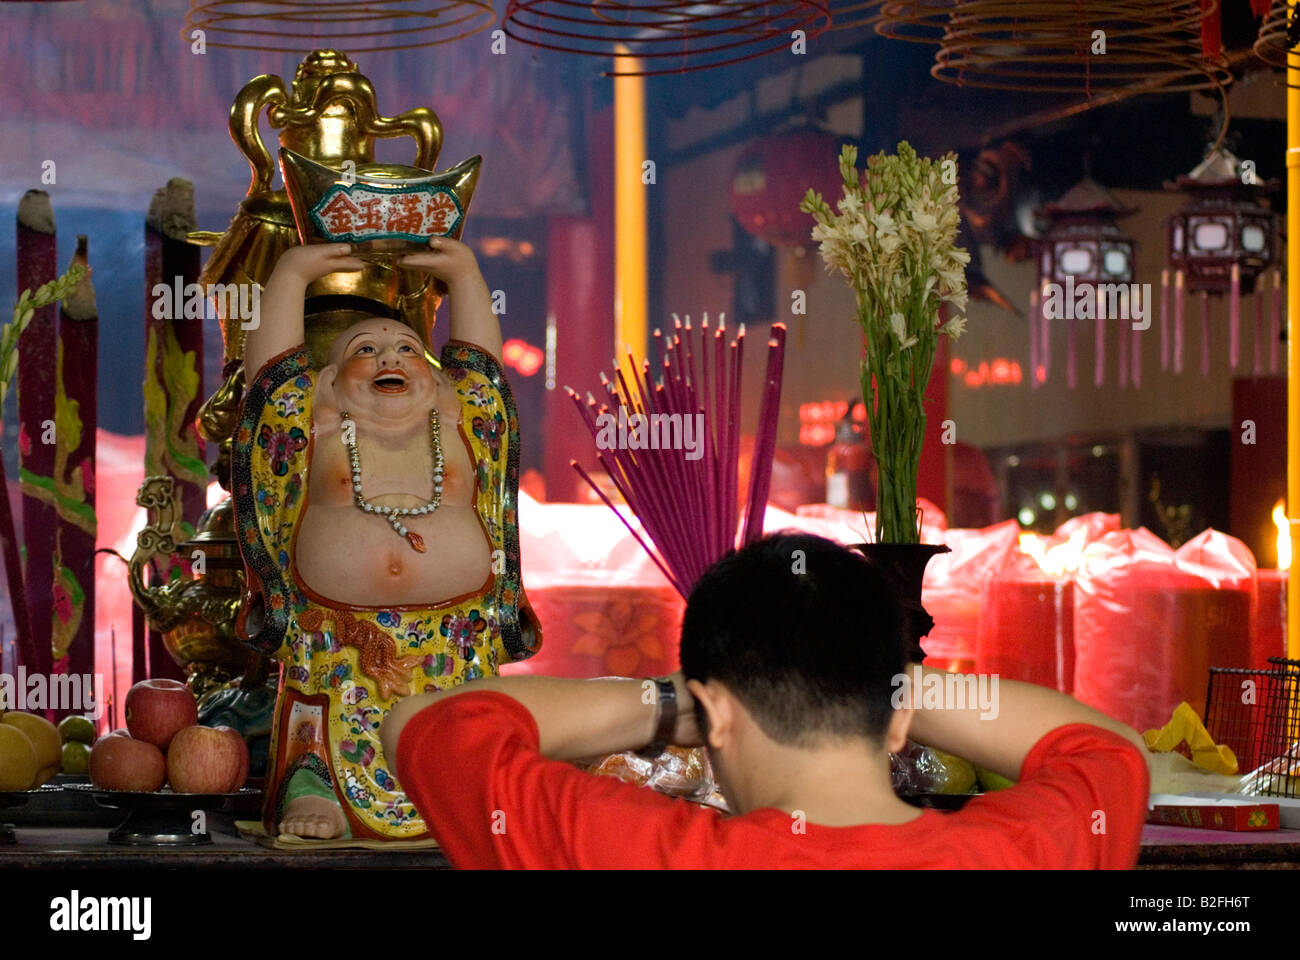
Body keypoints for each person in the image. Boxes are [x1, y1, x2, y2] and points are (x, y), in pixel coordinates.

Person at [381, 532, 1149, 868]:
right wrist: (883, 678)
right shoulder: (1022, 853)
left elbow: (427, 725)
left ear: (714, 716)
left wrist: (665, 703)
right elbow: (1109, 749)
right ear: (901, 717)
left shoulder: (625, 850)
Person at [234, 238, 539, 841]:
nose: (387, 358)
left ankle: (475, 792)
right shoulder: (317, 423)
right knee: (324, 722)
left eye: (405, 348)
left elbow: (484, 373)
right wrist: (292, 272)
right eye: (364, 350)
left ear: (435, 377)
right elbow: (267, 385)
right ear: (328, 380)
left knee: (466, 742)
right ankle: (313, 783)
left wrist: (464, 273)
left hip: (454, 640)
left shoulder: (457, 419)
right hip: (334, 643)